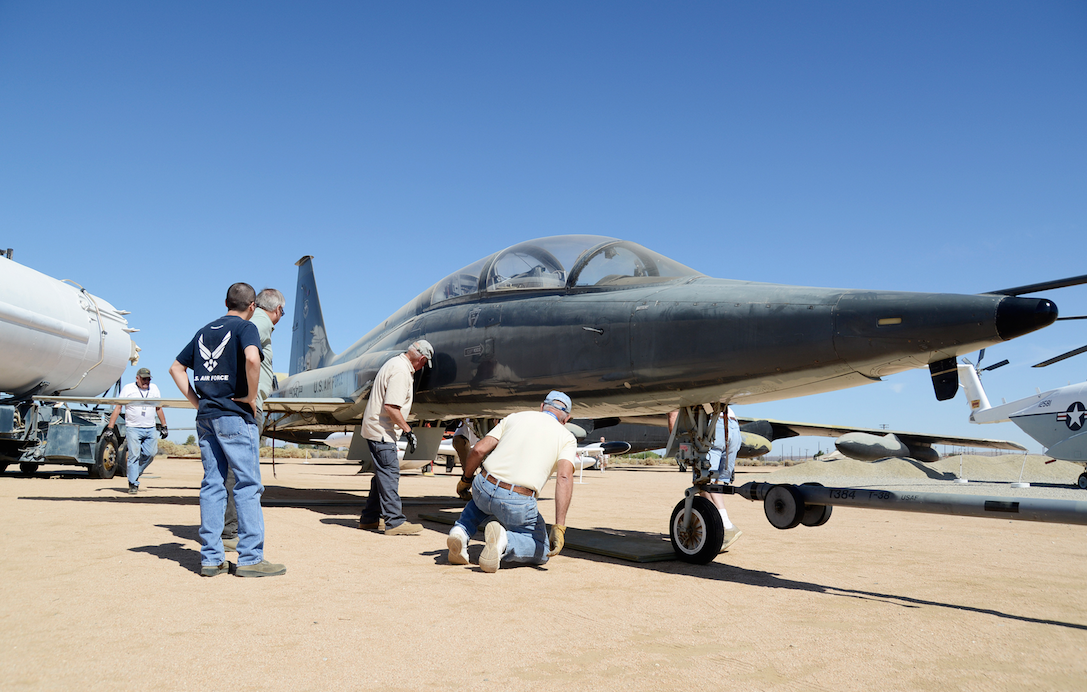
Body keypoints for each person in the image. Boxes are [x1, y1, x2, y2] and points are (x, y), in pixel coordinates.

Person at [169, 282, 286, 578]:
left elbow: (176, 368)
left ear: (225, 302)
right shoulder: (244, 328)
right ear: (252, 307)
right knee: (247, 485)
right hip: (234, 416)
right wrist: (249, 396)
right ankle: (249, 559)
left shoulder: (204, 331)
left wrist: (197, 401)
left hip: (206, 417)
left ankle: (211, 559)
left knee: (212, 485)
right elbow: (251, 358)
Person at [447, 391, 577, 573]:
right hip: (517, 500)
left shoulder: (515, 417)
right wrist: (559, 526)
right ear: (567, 418)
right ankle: (504, 542)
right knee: (542, 546)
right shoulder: (567, 437)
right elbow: (564, 477)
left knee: (479, 501)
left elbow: (478, 450)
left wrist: (466, 480)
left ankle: (459, 533)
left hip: (484, 484)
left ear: (542, 407)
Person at [221, 287, 285, 553]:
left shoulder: (252, 322)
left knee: (230, 472)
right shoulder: (259, 323)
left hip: (238, 406)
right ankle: (230, 532)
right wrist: (250, 397)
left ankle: (226, 530)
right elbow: (243, 355)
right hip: (247, 409)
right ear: (278, 310)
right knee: (241, 474)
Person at [357, 340, 435, 536]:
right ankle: (394, 521)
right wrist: (408, 431)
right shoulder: (401, 371)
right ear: (422, 359)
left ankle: (369, 518)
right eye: (424, 364)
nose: (422, 367)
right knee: (390, 473)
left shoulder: (395, 363)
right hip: (382, 431)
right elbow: (391, 407)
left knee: (382, 475)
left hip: (376, 428)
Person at [668, 405, 743, 551]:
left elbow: (672, 416)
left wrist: (679, 448)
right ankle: (723, 523)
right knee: (715, 482)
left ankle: (724, 526)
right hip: (732, 426)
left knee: (703, 482)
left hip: (711, 427)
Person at [107, 367, 167, 494]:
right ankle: (133, 483)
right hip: (133, 427)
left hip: (150, 428)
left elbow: (159, 408)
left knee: (151, 453)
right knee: (134, 455)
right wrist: (110, 427)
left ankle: (134, 473)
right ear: (137, 378)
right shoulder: (128, 389)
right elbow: (118, 407)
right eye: (144, 379)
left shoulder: (154, 389)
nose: (146, 382)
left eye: (148, 379)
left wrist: (164, 425)